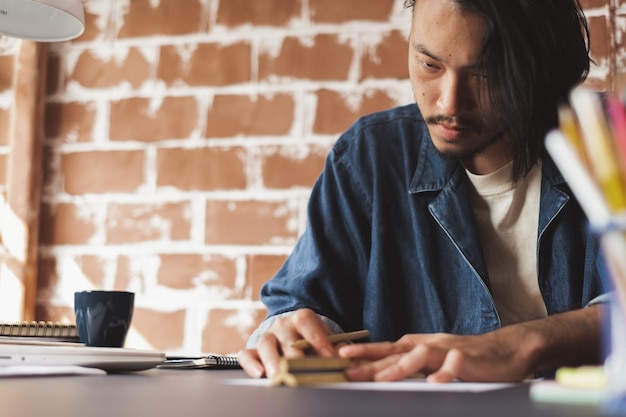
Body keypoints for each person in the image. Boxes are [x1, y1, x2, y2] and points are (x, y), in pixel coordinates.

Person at [238, 0, 610, 383]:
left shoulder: (612, 146)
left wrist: (524, 342)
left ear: (542, 64)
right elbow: (302, 304)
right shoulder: (369, 158)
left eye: (484, 74)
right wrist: (288, 331)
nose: (449, 103)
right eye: (430, 65)